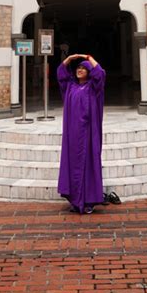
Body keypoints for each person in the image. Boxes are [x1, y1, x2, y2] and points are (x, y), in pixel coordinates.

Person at [57, 53, 106, 214]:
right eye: (77, 68)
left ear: (89, 72)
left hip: (89, 134)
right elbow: (61, 73)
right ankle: (75, 200)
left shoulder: (94, 87)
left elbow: (100, 73)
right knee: (73, 165)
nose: (79, 70)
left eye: (83, 68)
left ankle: (89, 201)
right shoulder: (70, 86)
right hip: (73, 135)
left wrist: (88, 57)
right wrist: (70, 59)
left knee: (89, 163)